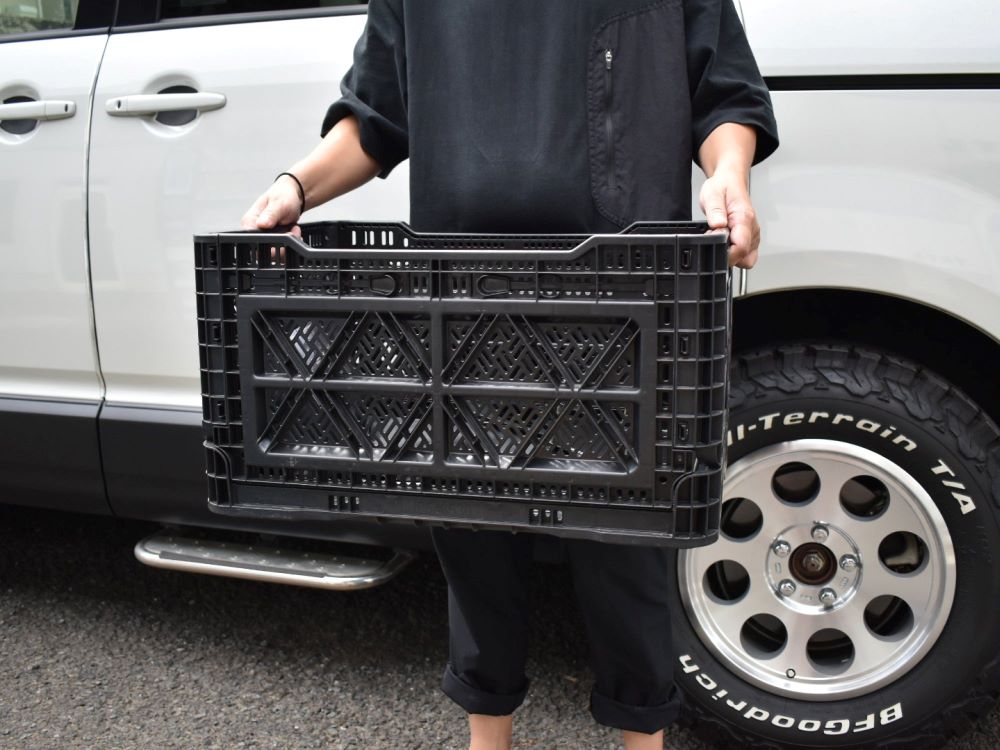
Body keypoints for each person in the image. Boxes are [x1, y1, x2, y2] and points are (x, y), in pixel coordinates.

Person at [241, 2, 778, 747]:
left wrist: (728, 176)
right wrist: (295, 186)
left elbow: (724, 94)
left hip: (622, 290)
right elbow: (373, 119)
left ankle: (643, 740)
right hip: (461, 290)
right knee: (472, 531)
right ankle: (487, 739)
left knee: (629, 541)